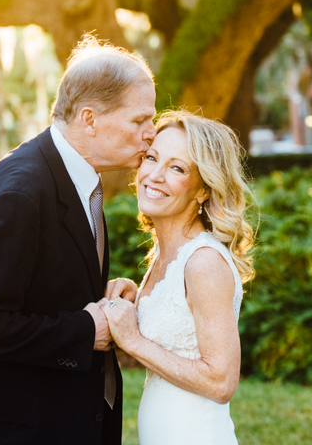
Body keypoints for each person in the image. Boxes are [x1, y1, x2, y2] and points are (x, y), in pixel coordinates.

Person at [0, 35, 156, 445]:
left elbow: (44, 290)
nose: (152, 133)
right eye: (139, 121)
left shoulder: (76, 178)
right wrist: (84, 330)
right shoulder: (19, 195)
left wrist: (101, 298)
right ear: (89, 118)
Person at [103, 110, 255, 445]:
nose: (154, 175)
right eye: (152, 158)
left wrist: (133, 340)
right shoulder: (167, 254)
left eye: (177, 168)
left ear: (203, 189)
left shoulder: (203, 263)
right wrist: (134, 299)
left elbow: (221, 382)